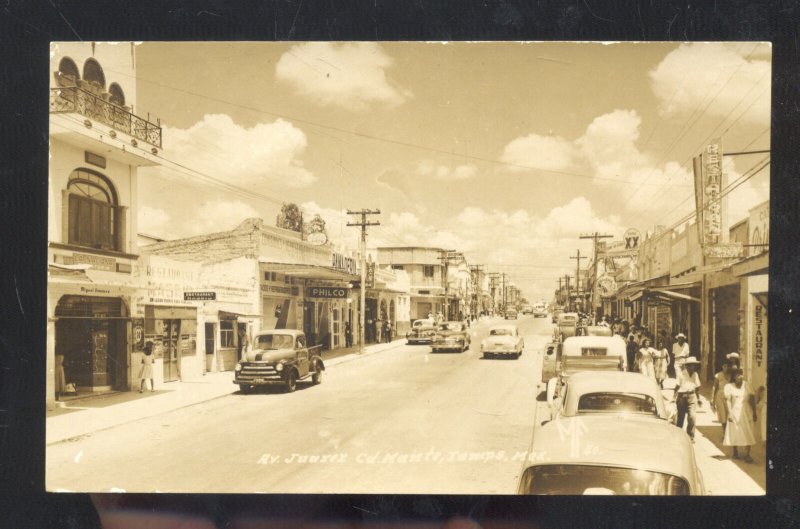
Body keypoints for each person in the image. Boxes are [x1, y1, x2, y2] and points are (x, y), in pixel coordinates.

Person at [723, 367, 758, 463]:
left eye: (741, 374)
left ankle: (748, 454)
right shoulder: (729, 387)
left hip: (747, 412)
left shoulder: (748, 385)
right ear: (734, 377)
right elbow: (728, 401)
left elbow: (752, 400)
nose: (741, 376)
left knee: (748, 432)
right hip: (735, 412)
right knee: (734, 431)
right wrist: (730, 413)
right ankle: (735, 451)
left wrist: (755, 412)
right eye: (738, 375)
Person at [674, 356, 702, 442]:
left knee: (692, 417)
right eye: (691, 365)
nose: (693, 367)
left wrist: (699, 398)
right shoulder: (681, 374)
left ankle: (690, 435)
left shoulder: (695, 374)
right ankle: (678, 434)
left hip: (692, 396)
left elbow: (697, 388)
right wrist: (674, 397)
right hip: (682, 397)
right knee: (681, 417)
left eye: (694, 365)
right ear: (687, 366)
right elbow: (677, 386)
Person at [710, 360, 733, 440]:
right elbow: (714, 387)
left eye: (728, 366)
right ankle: (724, 433)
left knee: (729, 415)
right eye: (725, 366)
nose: (726, 368)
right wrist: (712, 398)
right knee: (723, 416)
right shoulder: (718, 375)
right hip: (720, 396)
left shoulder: (731, 376)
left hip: (729, 396)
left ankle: (729, 433)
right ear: (722, 367)